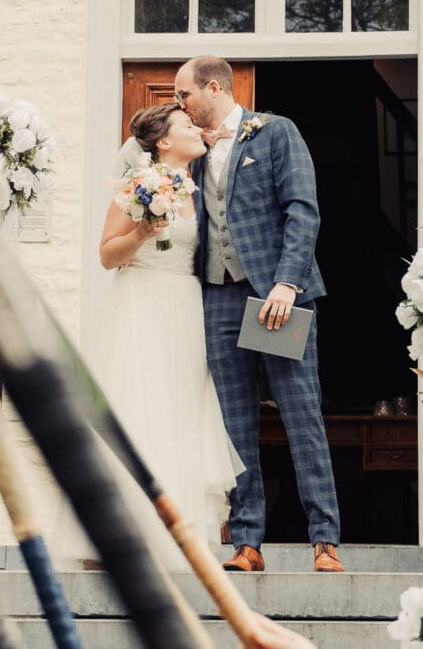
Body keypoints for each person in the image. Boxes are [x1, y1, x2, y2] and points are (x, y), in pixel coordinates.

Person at [53, 102, 244, 571]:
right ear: (162, 142)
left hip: (185, 307)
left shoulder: (202, 187)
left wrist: (218, 137)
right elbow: (106, 255)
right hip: (140, 304)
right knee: (137, 409)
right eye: (185, 125)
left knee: (180, 412)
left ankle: (176, 536)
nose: (197, 128)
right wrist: (141, 231)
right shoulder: (136, 186)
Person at [174, 55, 344, 573]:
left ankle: (325, 541)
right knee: (234, 425)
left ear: (212, 87)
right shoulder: (192, 153)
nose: (178, 105)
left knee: (301, 416)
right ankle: (246, 544)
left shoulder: (275, 133)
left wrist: (287, 283)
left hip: (276, 296)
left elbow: (302, 209)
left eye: (184, 95)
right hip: (219, 296)